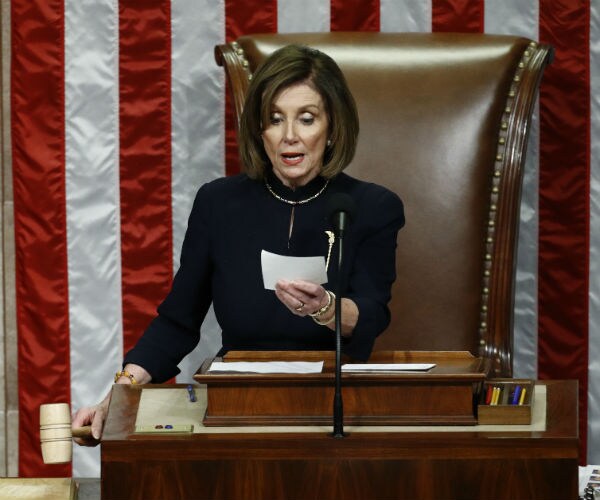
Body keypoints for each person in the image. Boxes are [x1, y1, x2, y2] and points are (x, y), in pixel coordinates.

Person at [73, 44, 405, 443]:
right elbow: (178, 321)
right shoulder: (219, 203)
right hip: (239, 410)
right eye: (274, 119)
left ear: (333, 127)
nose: (290, 137)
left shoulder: (371, 206)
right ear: (258, 130)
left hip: (336, 409)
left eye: (307, 118)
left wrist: (326, 308)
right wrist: (122, 390)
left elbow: (372, 315)